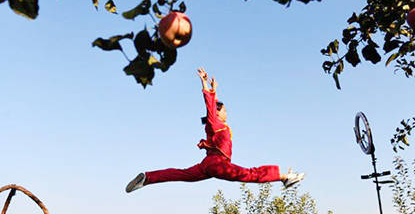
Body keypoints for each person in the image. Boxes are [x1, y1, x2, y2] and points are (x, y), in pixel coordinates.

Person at [125, 67, 305, 192]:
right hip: (218, 165)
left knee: (180, 174)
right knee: (251, 174)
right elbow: (211, 108)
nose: (227, 113)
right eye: (225, 110)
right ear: (219, 113)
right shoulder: (215, 123)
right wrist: (204, 85)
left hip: (207, 165)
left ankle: (147, 178)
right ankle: (284, 177)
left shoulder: (215, 126)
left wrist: (213, 90)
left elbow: (213, 107)